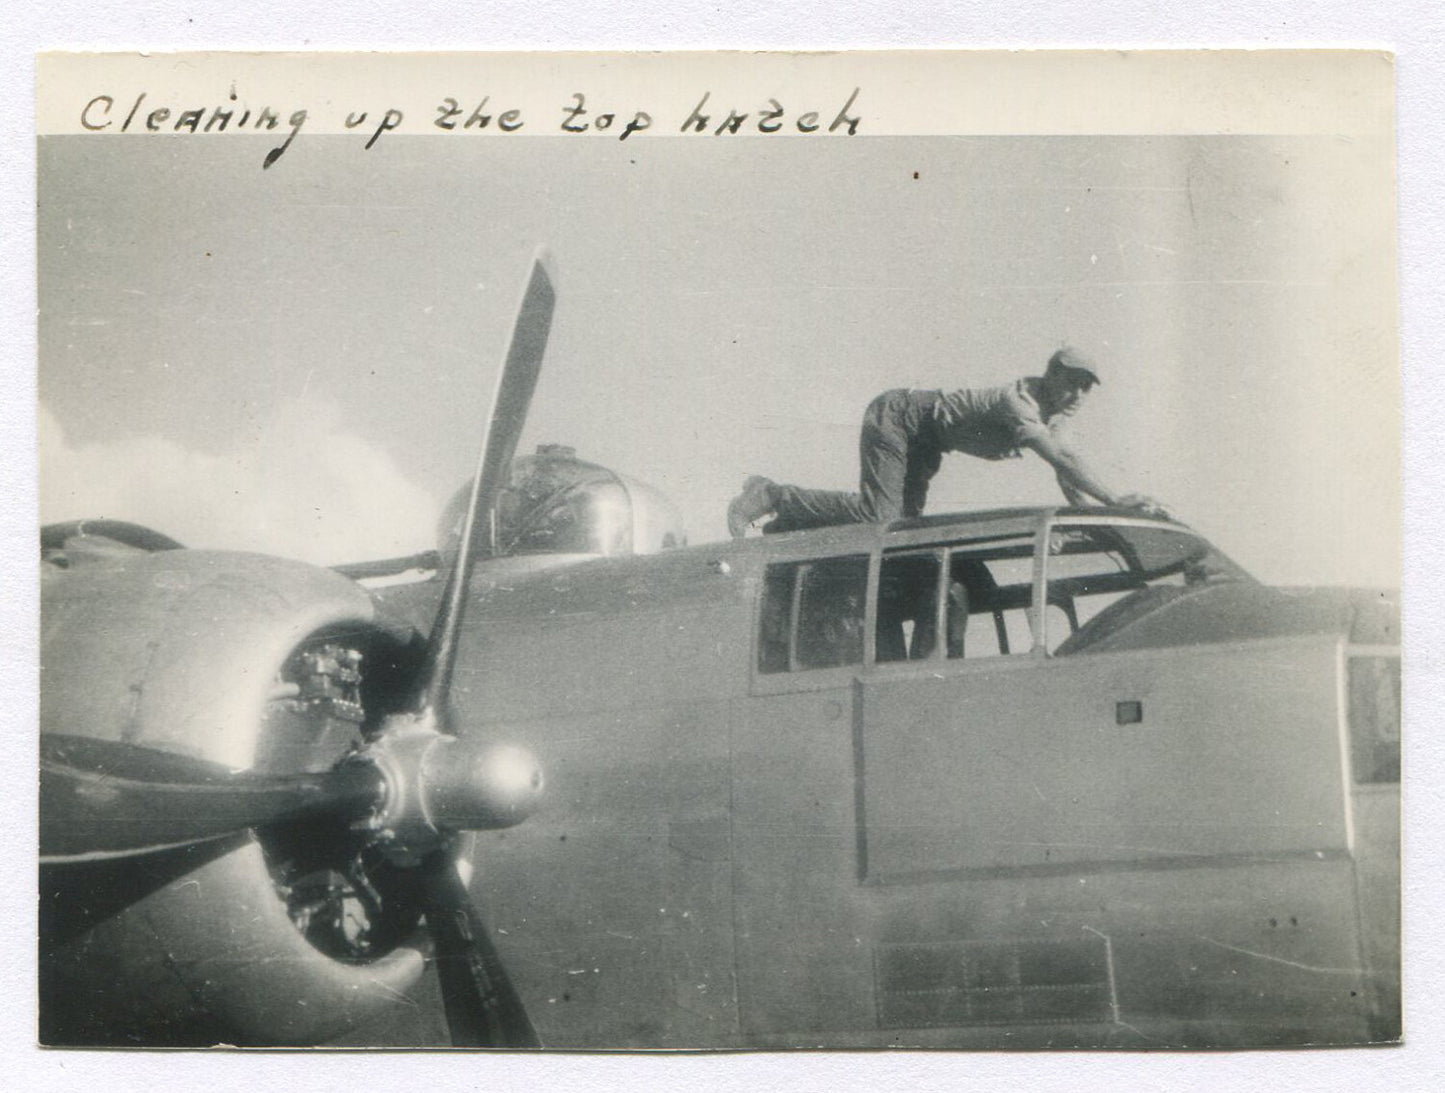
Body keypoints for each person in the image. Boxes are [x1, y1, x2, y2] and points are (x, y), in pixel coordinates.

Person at [727, 347, 1168, 537]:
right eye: (1072, 383)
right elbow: (1064, 457)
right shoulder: (1020, 403)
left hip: (926, 441)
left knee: (897, 531)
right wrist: (1115, 500)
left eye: (1085, 388)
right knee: (877, 515)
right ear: (1051, 375)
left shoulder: (1057, 414)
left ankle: (787, 528)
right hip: (900, 418)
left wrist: (1097, 517)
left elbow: (1066, 472)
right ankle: (772, 495)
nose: (1077, 395)